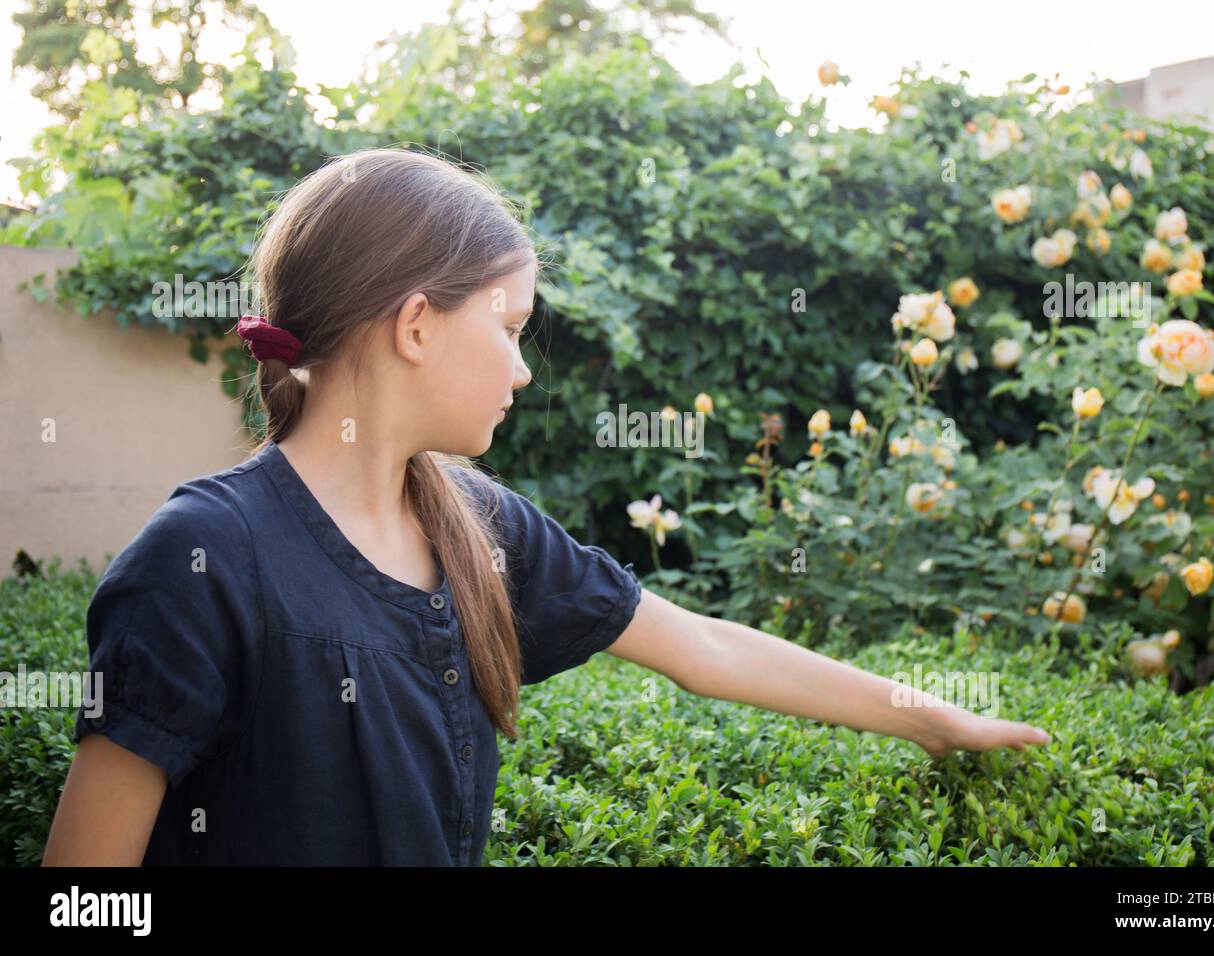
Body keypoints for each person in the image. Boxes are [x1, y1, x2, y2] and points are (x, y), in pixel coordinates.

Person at [42, 147, 1049, 866]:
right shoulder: (204, 555)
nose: (524, 367)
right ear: (417, 324)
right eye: (511, 324)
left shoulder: (476, 522)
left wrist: (927, 716)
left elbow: (706, 648)